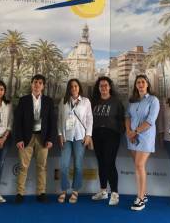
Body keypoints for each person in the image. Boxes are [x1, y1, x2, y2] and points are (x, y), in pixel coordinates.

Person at [14, 74, 57, 203]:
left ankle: (41, 192)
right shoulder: (23, 100)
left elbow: (52, 122)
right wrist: (18, 139)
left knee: (42, 166)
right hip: (26, 138)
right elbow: (17, 121)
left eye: (40, 83)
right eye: (35, 82)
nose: (37, 85)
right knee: (23, 166)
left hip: (43, 138)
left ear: (43, 86)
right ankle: (20, 193)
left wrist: (50, 139)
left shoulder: (48, 101)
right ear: (31, 84)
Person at [125, 74, 160, 211]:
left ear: (147, 84)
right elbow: (127, 116)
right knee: (139, 166)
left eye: (143, 82)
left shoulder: (153, 100)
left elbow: (150, 121)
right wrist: (129, 131)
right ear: (135, 85)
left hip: (145, 137)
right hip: (131, 137)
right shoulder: (132, 101)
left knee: (139, 165)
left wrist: (135, 132)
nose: (140, 84)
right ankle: (143, 194)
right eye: (138, 82)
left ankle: (140, 200)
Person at [57, 79, 93, 204]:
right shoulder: (63, 101)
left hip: (80, 137)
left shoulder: (86, 101)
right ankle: (64, 189)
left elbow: (89, 119)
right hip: (66, 137)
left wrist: (88, 135)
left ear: (79, 88)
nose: (73, 88)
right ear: (69, 88)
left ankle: (75, 190)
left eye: (76, 86)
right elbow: (59, 119)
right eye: (71, 86)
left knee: (78, 165)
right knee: (64, 165)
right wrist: (60, 135)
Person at [90, 76, 125, 206]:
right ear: (98, 88)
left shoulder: (116, 102)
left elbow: (122, 119)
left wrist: (118, 132)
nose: (103, 87)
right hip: (97, 135)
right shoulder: (94, 102)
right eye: (101, 86)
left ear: (110, 87)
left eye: (106, 85)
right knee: (101, 163)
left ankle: (115, 193)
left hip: (112, 135)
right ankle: (103, 191)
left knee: (109, 163)